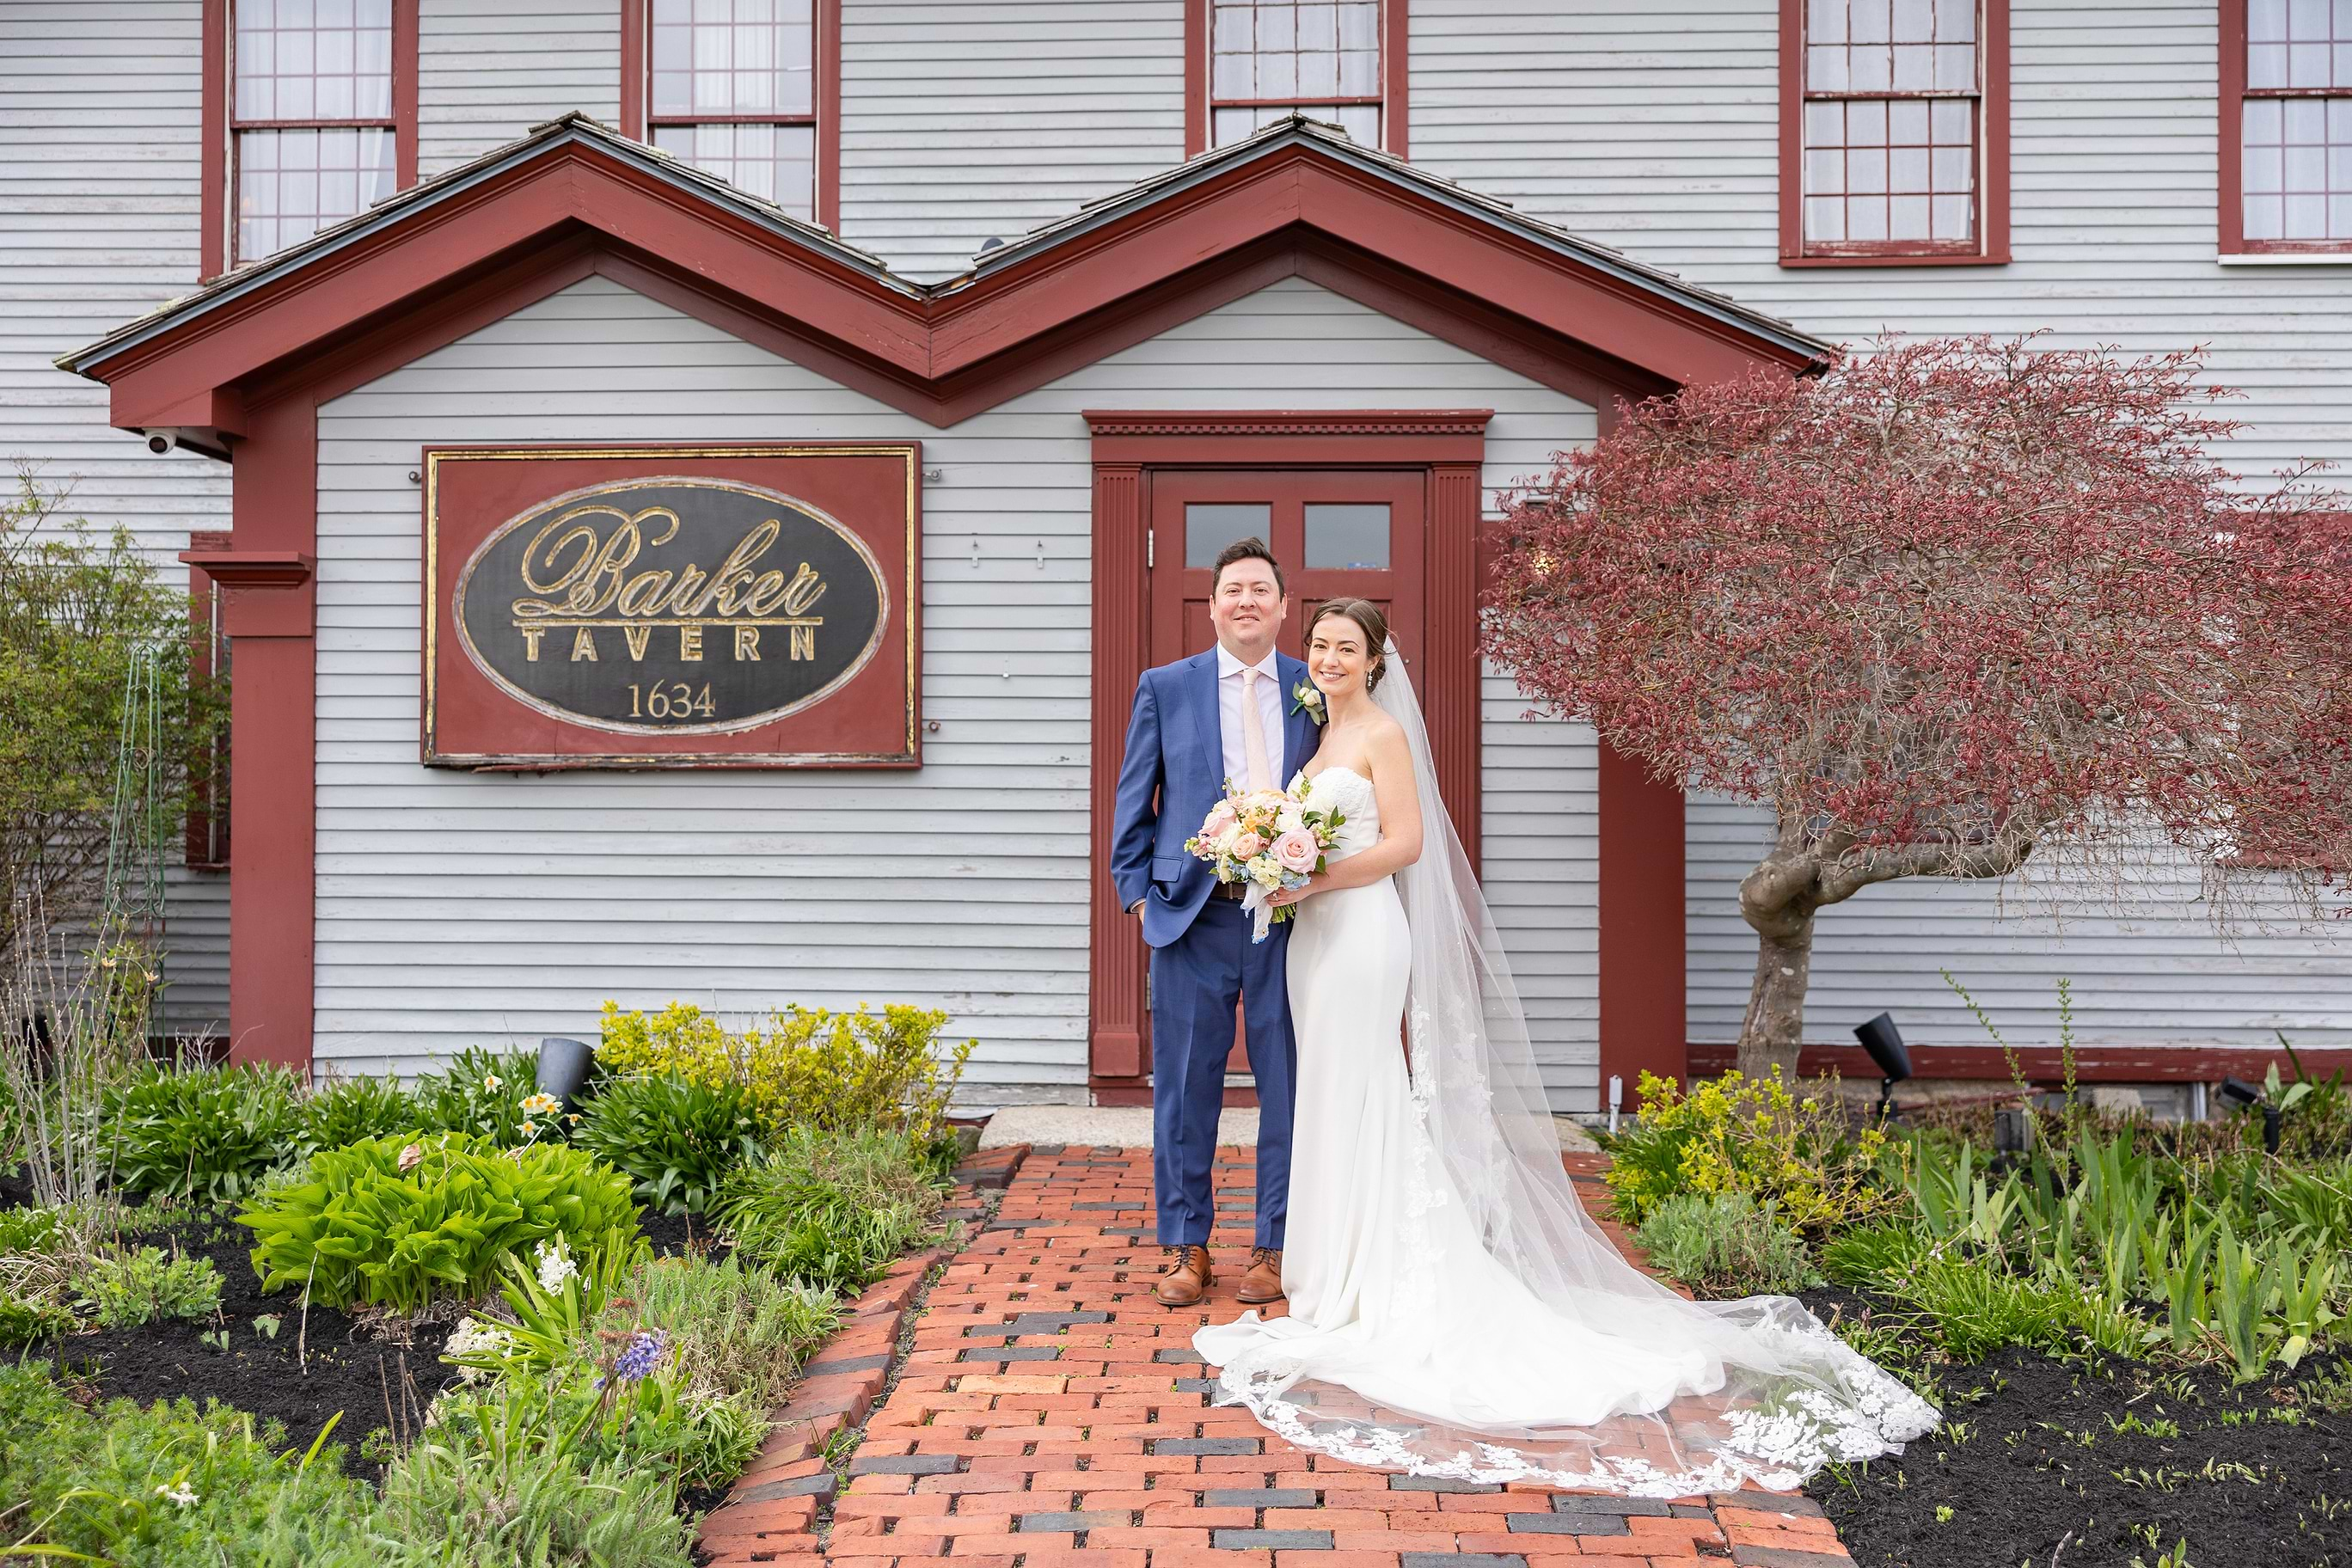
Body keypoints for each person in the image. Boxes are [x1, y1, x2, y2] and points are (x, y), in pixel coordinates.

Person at [1191, 597, 1940, 1496]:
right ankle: (1331, 1273)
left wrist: (1307, 874)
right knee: (1331, 1096)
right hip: (1314, 940)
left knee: (1364, 1092)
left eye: (1346, 648)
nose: (1328, 658)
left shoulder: (1383, 735)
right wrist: (1272, 865)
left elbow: (1406, 843)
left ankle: (1371, 1279)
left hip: (1359, 936)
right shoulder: (1317, 737)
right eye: (1319, 645)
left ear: (1377, 660)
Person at [1110, 538, 1322, 1308]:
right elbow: (1135, 800)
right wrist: (1138, 896)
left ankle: (1275, 1244)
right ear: (1212, 606)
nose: (1246, 603)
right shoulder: (1167, 686)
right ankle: (1186, 1248)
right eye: (1233, 590)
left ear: (1282, 606)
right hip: (1191, 920)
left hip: (1292, 923)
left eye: (1261, 591)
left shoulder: (1314, 688)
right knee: (1184, 1091)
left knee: (1290, 1091)